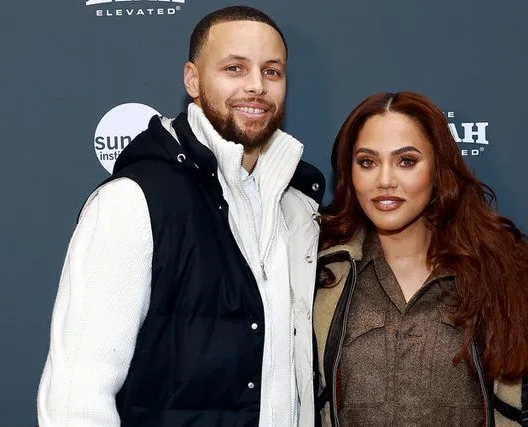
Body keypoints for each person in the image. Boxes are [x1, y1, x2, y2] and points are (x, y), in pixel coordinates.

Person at [37, 6, 325, 426]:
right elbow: (76, 399)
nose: (255, 86)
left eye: (272, 72)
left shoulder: (297, 208)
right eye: (234, 68)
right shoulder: (134, 202)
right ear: (192, 79)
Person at [313, 92, 528, 426]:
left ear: (438, 169)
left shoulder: (496, 271)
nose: (385, 180)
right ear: (349, 173)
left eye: (406, 161)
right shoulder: (321, 274)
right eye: (367, 162)